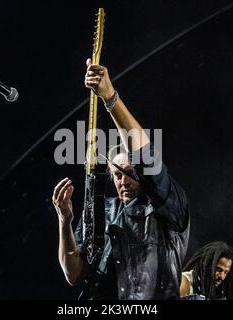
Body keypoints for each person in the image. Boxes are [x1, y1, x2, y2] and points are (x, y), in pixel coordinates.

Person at [52, 58, 190, 299]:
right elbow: (74, 275)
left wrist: (110, 98)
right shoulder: (102, 210)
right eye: (117, 174)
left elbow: (145, 157)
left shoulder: (166, 208)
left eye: (129, 173)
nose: (123, 181)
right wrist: (65, 221)